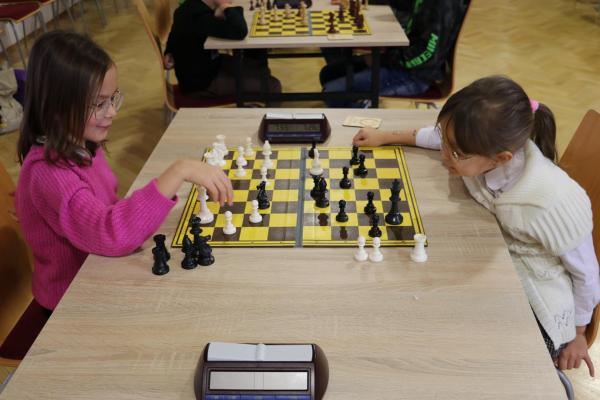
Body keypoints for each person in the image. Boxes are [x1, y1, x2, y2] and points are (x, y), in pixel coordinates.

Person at [4, 31, 233, 359]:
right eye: (98, 104)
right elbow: (109, 234)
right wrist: (178, 171)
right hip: (71, 305)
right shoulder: (50, 173)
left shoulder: (82, 145)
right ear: (56, 106)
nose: (111, 112)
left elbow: (106, 213)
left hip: (99, 273)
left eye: (113, 98)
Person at [354, 76, 600, 376]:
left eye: (455, 153)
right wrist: (385, 136)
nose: (444, 155)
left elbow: (587, 275)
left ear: (501, 158)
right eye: (445, 142)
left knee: (471, 352)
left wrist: (578, 333)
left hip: (541, 296)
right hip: (496, 256)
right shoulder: (476, 146)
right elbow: (438, 138)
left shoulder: (554, 202)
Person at [320, 0, 468, 107]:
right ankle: (358, 97)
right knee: (328, 73)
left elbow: (426, 55)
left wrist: (383, 60)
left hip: (415, 75)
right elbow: (401, 3)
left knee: (333, 93)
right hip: (400, 59)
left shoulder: (442, 6)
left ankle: (363, 117)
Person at [164, 0, 281, 97]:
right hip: (202, 82)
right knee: (273, 85)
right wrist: (225, 6)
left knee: (260, 68)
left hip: (209, 66)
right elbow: (240, 30)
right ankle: (266, 117)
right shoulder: (199, 16)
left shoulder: (190, 7)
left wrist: (169, 50)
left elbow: (175, 33)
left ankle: (253, 108)